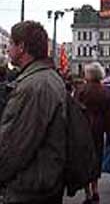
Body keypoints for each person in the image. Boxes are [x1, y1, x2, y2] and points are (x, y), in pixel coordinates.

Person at [0, 21, 67, 204]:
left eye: (11, 44)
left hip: (29, 186)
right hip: (44, 181)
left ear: (21, 47)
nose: (8, 50)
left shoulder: (34, 86)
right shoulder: (48, 77)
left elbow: (15, 144)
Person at [75, 62, 110, 204]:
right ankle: (95, 188)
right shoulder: (105, 92)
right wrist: (109, 132)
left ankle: (87, 192)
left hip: (83, 128)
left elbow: (75, 110)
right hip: (99, 128)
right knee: (97, 157)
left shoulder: (81, 90)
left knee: (85, 159)